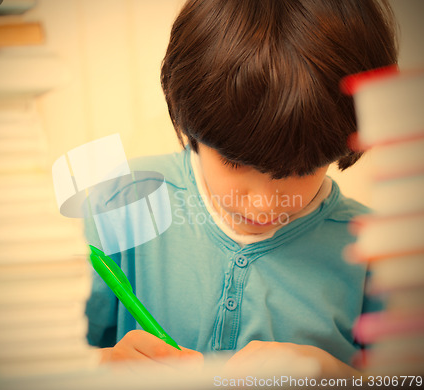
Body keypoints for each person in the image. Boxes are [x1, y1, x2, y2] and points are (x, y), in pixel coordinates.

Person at [84, 0, 398, 377]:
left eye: (297, 170)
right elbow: (45, 358)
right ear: (191, 120)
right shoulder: (122, 202)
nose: (264, 205)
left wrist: (335, 377)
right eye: (235, 162)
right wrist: (97, 369)